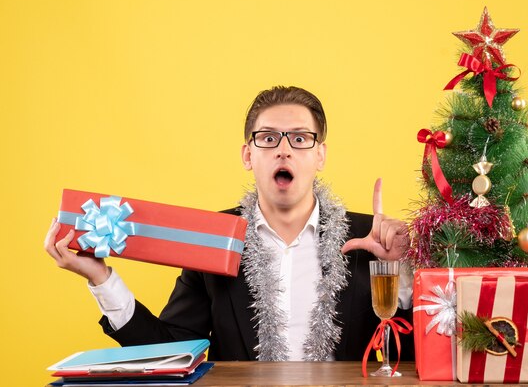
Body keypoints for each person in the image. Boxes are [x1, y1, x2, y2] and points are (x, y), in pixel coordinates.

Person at [44, 86, 414, 361]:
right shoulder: (213, 238)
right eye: (268, 138)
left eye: (300, 139)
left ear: (320, 155)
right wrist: (102, 279)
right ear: (247, 155)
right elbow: (170, 353)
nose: (284, 149)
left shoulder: (369, 239)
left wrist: (403, 275)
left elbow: (409, 360)